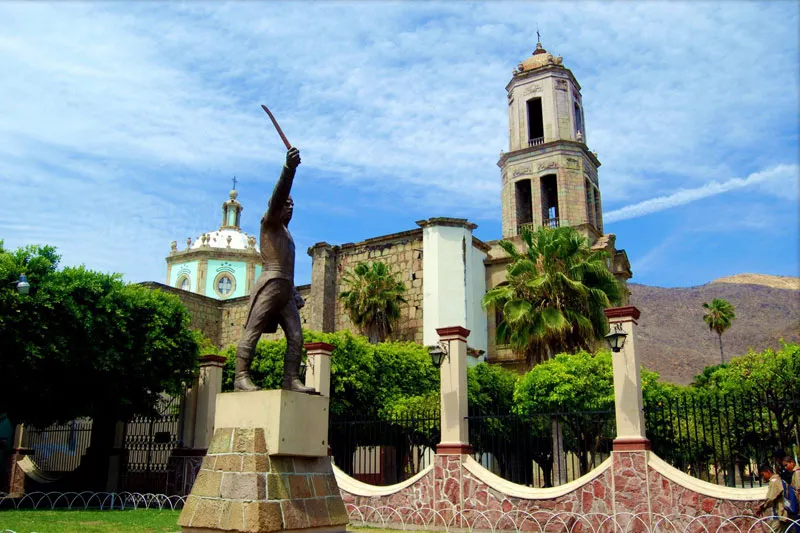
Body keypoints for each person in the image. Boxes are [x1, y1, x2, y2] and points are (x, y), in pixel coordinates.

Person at [234, 147, 315, 394]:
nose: (289, 207)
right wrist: (289, 169)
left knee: (296, 337)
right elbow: (278, 195)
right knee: (254, 330)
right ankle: (240, 376)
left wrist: (295, 293)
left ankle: (290, 378)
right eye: (286, 204)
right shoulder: (269, 223)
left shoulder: (288, 235)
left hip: (285, 289)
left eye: (293, 205)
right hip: (270, 283)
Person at [757, 464, 789, 533]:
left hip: (781, 513)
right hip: (784, 512)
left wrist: (762, 507)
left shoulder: (774, 481)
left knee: (773, 531)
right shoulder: (778, 479)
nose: (763, 477)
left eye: (763, 474)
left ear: (768, 472)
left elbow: (771, 497)